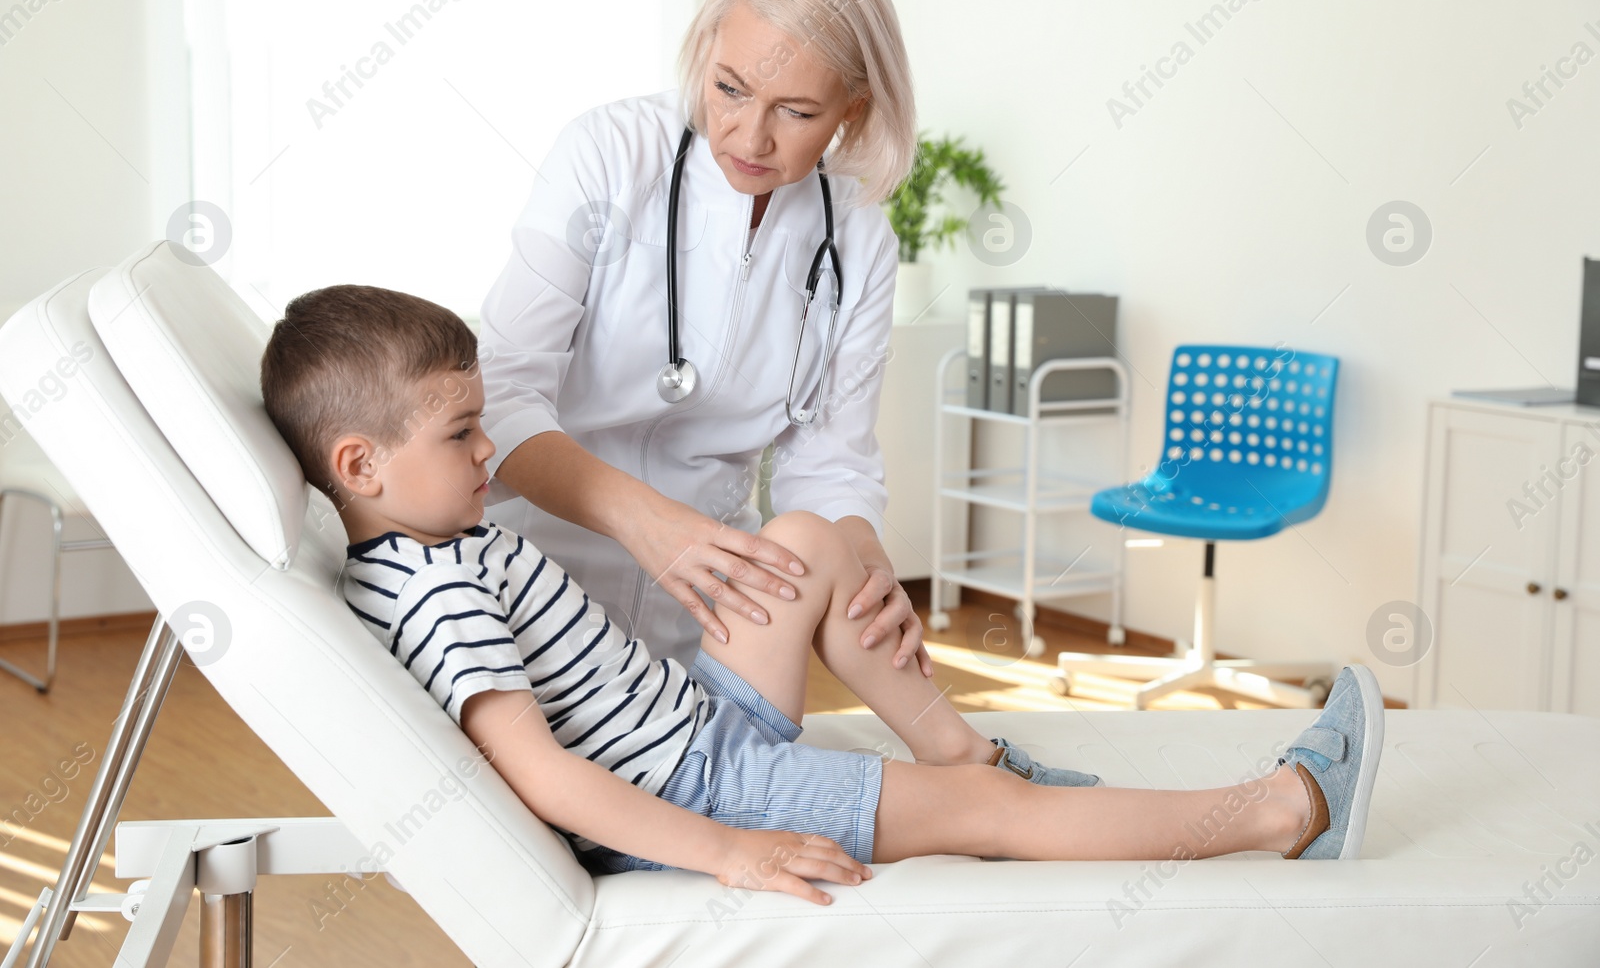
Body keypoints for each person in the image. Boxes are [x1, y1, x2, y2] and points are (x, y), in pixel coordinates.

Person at [259, 285, 1386, 904]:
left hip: (696, 723)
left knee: (801, 535)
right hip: (704, 784)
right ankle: (1287, 812)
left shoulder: (443, 539)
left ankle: (957, 752)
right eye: (462, 432)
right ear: (359, 465)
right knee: (997, 826)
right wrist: (725, 850)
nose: (490, 447)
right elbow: (540, 771)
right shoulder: (432, 589)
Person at [477, 0, 930, 682]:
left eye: (796, 110)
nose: (749, 136)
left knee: (713, 781)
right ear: (706, 50)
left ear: (852, 108)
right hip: (534, 584)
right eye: (729, 88)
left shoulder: (857, 240)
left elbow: (829, 460)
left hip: (713, 612)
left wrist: (869, 559)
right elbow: (503, 395)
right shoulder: (608, 156)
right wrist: (644, 520)